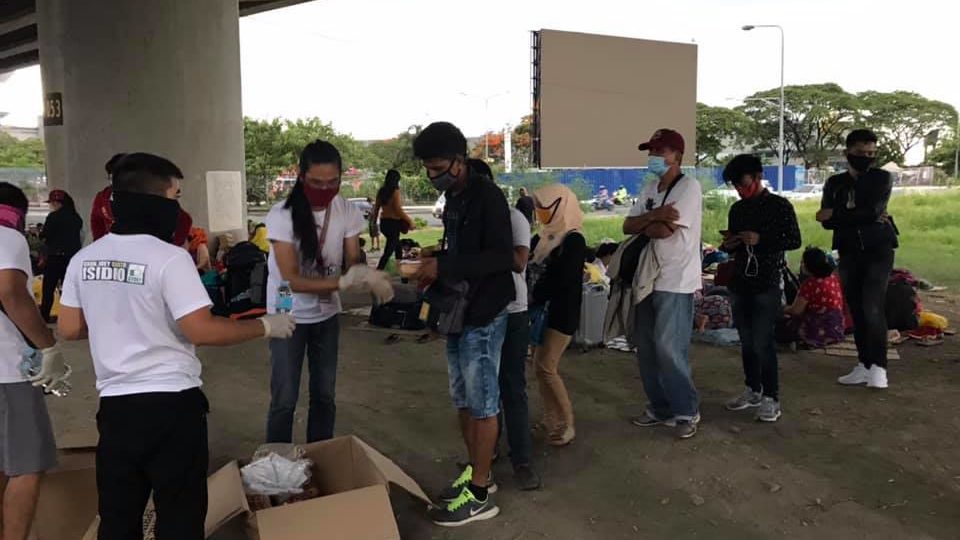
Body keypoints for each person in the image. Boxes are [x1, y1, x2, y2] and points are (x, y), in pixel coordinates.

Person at [56, 153, 297, 539]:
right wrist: (265, 326)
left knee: (118, 517)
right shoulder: (170, 259)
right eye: (175, 196)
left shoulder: (85, 259)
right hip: (172, 406)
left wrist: (117, 321)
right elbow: (201, 330)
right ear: (154, 203)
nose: (179, 207)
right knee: (179, 516)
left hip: (116, 410)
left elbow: (69, 328)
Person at [412, 122, 513, 526]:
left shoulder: (488, 198)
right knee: (463, 399)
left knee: (484, 403)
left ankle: (481, 494)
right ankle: (475, 470)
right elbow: (462, 250)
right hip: (458, 311)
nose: (432, 173)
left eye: (437, 165)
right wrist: (433, 258)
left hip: (485, 313)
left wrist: (446, 265)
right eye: (427, 167)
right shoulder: (453, 199)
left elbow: (504, 257)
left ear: (459, 160)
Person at [265, 140, 393, 444]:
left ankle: (321, 455)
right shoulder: (281, 215)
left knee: (324, 395)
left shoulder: (346, 211)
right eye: (316, 182)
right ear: (301, 176)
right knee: (284, 397)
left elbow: (351, 260)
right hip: (286, 312)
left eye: (333, 182)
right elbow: (292, 279)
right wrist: (342, 282)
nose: (325, 189)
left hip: (325, 314)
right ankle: (276, 463)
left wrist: (363, 273)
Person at [624, 128, 702, 439]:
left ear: (677, 156)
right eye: (651, 152)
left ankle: (686, 410)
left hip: (676, 279)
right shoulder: (649, 188)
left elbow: (665, 231)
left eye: (660, 152)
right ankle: (660, 407)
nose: (654, 157)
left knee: (670, 348)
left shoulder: (689, 188)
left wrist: (648, 221)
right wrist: (654, 216)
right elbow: (628, 225)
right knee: (646, 347)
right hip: (648, 278)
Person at [0, 182, 67, 540]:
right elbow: (10, 291)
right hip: (6, 369)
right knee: (26, 464)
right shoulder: (7, 237)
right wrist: (48, 347)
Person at [720, 154, 801, 423]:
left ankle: (771, 396)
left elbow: (794, 240)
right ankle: (752, 389)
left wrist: (761, 239)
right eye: (735, 185)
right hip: (740, 280)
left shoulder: (779, 206)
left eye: (743, 183)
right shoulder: (738, 209)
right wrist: (730, 244)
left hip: (766, 281)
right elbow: (732, 240)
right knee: (746, 340)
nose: (740, 190)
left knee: (762, 341)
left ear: (757, 177)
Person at [817, 129, 898, 389]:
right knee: (856, 307)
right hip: (849, 250)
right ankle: (864, 364)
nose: (867, 157)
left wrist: (836, 214)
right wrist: (852, 213)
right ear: (847, 153)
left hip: (879, 249)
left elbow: (871, 212)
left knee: (873, 305)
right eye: (861, 153)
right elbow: (825, 224)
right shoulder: (835, 183)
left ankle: (879, 368)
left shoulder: (881, 178)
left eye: (871, 153)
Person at [528, 184, 587, 447]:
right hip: (540, 311)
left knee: (547, 368)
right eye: (538, 209)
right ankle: (551, 418)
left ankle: (567, 423)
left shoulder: (573, 240)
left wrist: (538, 292)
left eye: (545, 209)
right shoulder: (544, 237)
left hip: (561, 314)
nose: (540, 214)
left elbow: (564, 278)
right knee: (539, 368)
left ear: (561, 206)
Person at [782, 247, 846, 348]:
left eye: (803, 262)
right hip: (837, 328)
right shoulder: (832, 278)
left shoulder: (810, 284)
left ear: (808, 265)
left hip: (819, 330)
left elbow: (796, 310)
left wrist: (782, 308)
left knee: (780, 328)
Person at [39, 189, 83, 322]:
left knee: (48, 288)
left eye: (52, 202)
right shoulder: (76, 217)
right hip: (71, 258)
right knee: (68, 290)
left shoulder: (53, 217)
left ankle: (44, 316)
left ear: (57, 203)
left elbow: (45, 235)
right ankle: (71, 318)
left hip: (55, 257)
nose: (51, 205)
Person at [373, 169, 415, 271]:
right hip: (393, 224)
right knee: (388, 251)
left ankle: (401, 272)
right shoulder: (395, 191)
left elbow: (376, 208)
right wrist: (410, 221)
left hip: (384, 223)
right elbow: (398, 210)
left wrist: (374, 222)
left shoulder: (381, 191)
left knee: (397, 247)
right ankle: (378, 271)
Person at [90, 153, 127, 241]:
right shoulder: (102, 197)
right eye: (111, 178)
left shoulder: (142, 196)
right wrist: (99, 242)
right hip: (111, 245)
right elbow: (96, 221)